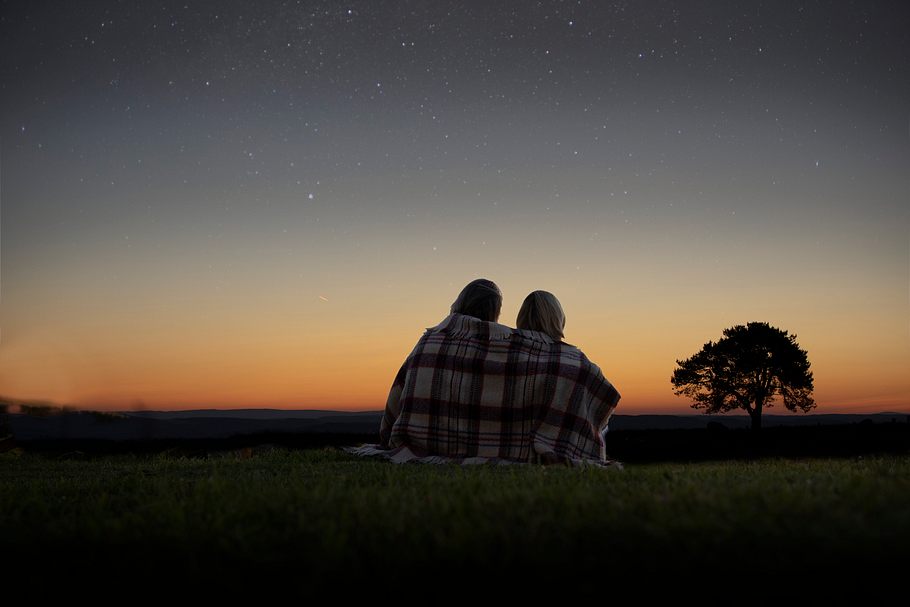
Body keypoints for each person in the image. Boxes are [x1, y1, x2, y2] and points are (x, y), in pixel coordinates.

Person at [354, 278, 621, 467]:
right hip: (527, 446)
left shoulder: (429, 342)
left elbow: (397, 398)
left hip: (425, 445)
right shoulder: (563, 358)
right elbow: (600, 395)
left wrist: (390, 436)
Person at [516, 289, 612, 447]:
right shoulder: (578, 363)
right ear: (558, 319)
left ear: (521, 317)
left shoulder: (506, 353)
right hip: (563, 448)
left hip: (517, 444)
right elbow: (603, 410)